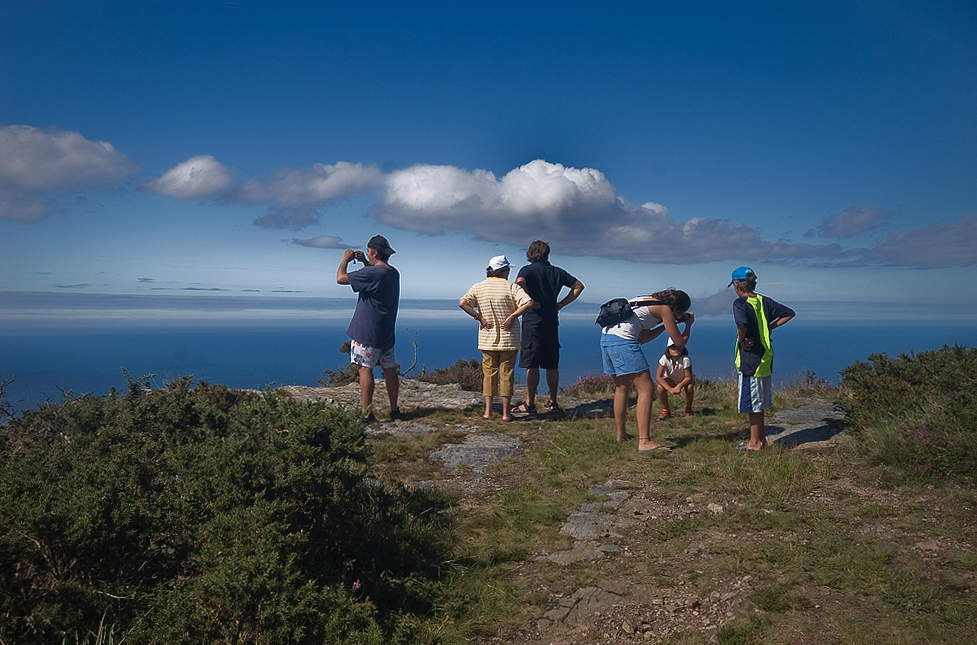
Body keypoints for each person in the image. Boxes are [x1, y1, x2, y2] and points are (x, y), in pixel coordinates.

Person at [599, 289, 693, 453]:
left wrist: (665, 325)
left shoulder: (645, 300)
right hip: (623, 342)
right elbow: (679, 343)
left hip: (606, 339)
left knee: (622, 388)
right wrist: (688, 326)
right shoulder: (665, 309)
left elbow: (643, 338)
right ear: (677, 308)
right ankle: (645, 442)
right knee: (647, 389)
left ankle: (621, 435)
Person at [459, 255, 534, 421]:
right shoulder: (511, 288)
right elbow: (528, 303)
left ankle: (488, 411)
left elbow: (463, 303)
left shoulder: (479, 287)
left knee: (489, 374)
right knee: (507, 374)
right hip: (510, 339)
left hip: (487, 339)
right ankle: (506, 414)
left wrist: (479, 317)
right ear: (504, 271)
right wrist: (513, 316)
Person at [729, 266, 795, 452]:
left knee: (753, 404)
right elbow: (789, 313)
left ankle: (754, 444)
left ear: (736, 284)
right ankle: (760, 439)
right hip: (766, 356)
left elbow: (741, 324)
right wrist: (769, 327)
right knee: (759, 402)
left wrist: (742, 340)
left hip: (751, 359)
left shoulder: (740, 304)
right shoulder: (764, 301)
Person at [514, 240, 585, 413]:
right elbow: (578, 286)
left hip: (532, 320)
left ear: (530, 253)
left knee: (533, 363)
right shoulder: (557, 272)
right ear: (547, 254)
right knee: (552, 364)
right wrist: (561, 304)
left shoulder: (527, 270)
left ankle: (530, 403)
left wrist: (530, 300)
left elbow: (519, 282)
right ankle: (553, 402)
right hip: (552, 320)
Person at [336, 235, 401, 422]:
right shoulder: (392, 273)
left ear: (374, 252)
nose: (366, 253)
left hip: (366, 331)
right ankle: (394, 409)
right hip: (385, 331)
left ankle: (367, 413)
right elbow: (374, 276)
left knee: (365, 370)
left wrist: (345, 260)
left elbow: (340, 279)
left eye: (368, 252)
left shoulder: (373, 274)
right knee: (389, 369)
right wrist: (365, 262)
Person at [656, 340, 694, 420]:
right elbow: (658, 377)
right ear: (668, 349)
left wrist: (679, 386)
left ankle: (688, 409)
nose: (675, 349)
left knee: (689, 388)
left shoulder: (685, 359)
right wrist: (670, 389)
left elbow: (688, 377)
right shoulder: (664, 358)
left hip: (684, 381)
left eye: (678, 347)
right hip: (671, 380)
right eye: (672, 347)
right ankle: (665, 410)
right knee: (660, 388)